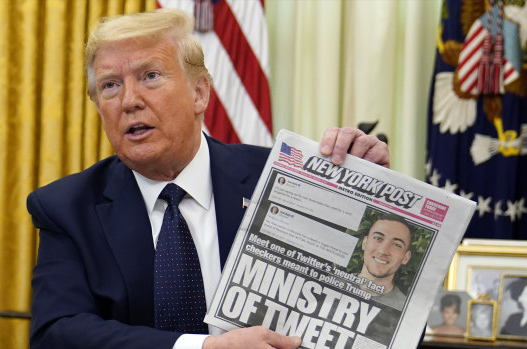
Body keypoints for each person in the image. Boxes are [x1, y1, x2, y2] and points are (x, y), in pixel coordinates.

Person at [27, 8, 391, 349]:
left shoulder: (282, 180)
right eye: (109, 86)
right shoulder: (68, 207)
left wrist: (372, 203)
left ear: (200, 92)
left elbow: (380, 320)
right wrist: (203, 347)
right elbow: (56, 332)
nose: (129, 101)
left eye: (150, 76)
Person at [356, 213, 412, 311]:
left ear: (406, 258)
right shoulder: (334, 281)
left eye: (396, 245)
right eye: (378, 238)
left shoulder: (404, 309)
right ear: (365, 243)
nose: (383, 251)